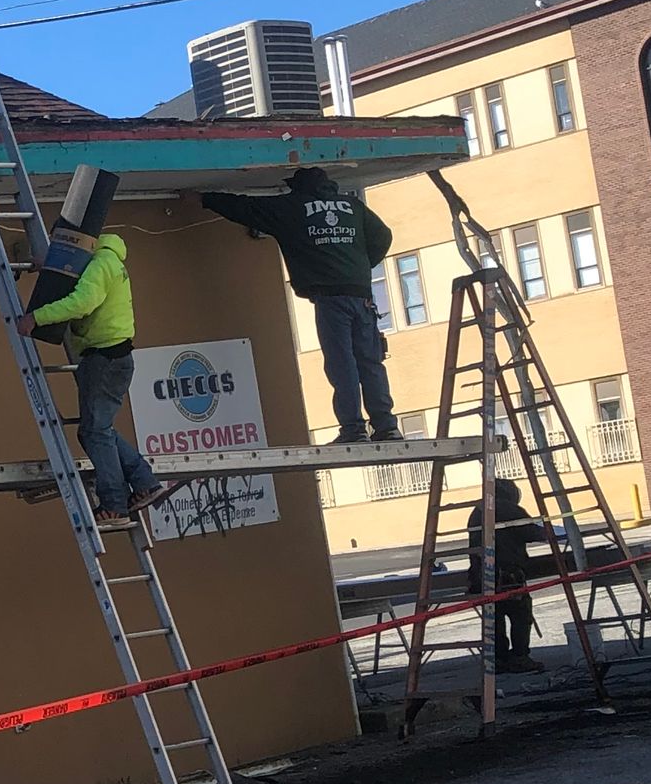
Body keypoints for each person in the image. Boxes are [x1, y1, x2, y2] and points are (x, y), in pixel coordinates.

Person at [199, 169, 398, 443]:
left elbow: (247, 208)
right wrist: (359, 268)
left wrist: (205, 198)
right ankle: (387, 427)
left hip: (330, 299)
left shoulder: (294, 207)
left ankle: (354, 429)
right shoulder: (352, 206)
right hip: (361, 296)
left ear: (299, 187)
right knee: (370, 361)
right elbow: (383, 237)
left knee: (342, 364)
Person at [22, 234, 175, 526]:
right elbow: (80, 279)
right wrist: (49, 268)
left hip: (104, 358)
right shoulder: (107, 261)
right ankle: (144, 483)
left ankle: (115, 506)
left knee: (94, 431)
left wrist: (37, 317)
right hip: (113, 357)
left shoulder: (101, 264)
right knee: (97, 430)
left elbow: (82, 301)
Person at [467, 477, 551, 673]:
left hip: (481, 574)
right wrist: (548, 530)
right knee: (520, 615)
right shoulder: (507, 509)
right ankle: (520, 657)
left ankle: (499, 659)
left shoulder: (478, 511)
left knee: (494, 618)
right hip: (507, 574)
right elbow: (534, 533)